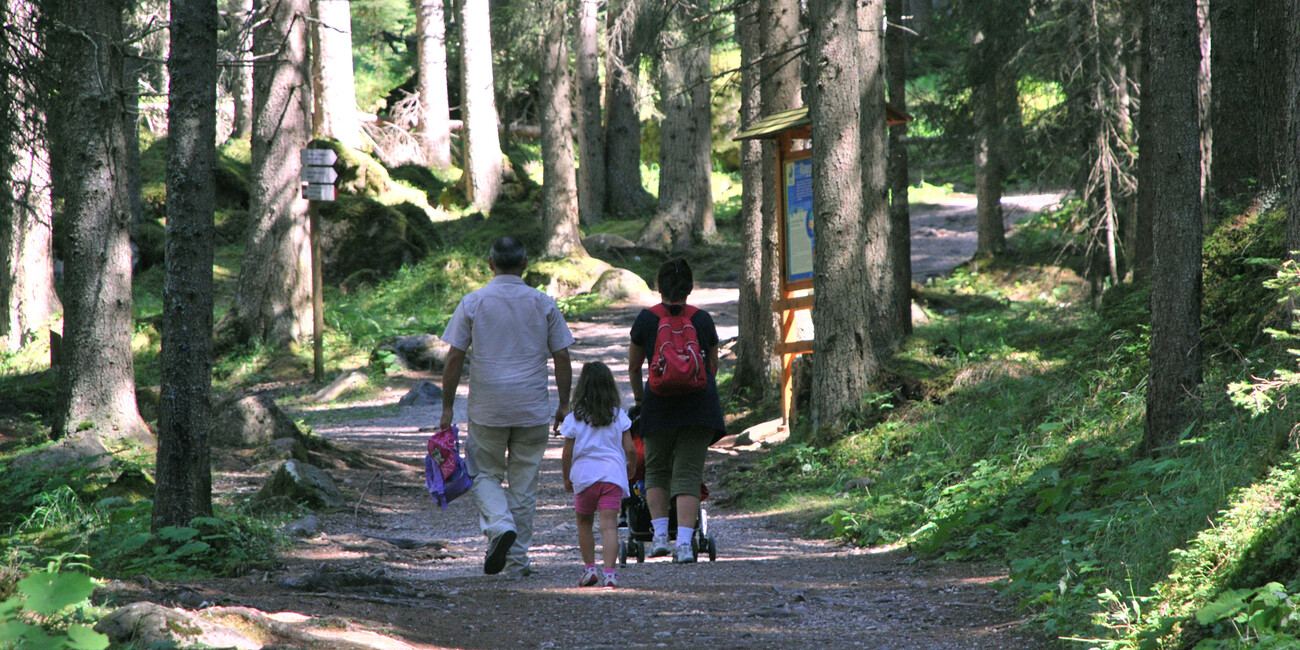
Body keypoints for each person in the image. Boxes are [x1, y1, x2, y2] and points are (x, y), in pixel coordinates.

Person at [440, 236, 574, 577]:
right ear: (525, 263)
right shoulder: (543, 303)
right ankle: (516, 562)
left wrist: (446, 408)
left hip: (488, 407)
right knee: (524, 482)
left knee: (483, 472)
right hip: (531, 406)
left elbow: (455, 356)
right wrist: (564, 404)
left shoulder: (473, 302)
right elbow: (562, 355)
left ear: (490, 263)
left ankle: (499, 526)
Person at [627, 258, 726, 564]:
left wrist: (641, 403)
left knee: (655, 471)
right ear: (689, 288)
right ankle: (684, 544)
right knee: (688, 473)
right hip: (699, 407)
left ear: (660, 287)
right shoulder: (702, 320)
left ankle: (659, 538)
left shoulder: (646, 319)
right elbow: (712, 366)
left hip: (659, 406)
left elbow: (633, 367)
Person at [560, 361, 635, 588]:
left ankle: (590, 569)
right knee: (609, 525)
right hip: (612, 475)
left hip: (584, 477)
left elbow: (567, 453)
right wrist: (630, 466)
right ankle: (610, 574)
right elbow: (630, 448)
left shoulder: (575, 418)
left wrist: (566, 477)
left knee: (584, 522)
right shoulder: (618, 416)